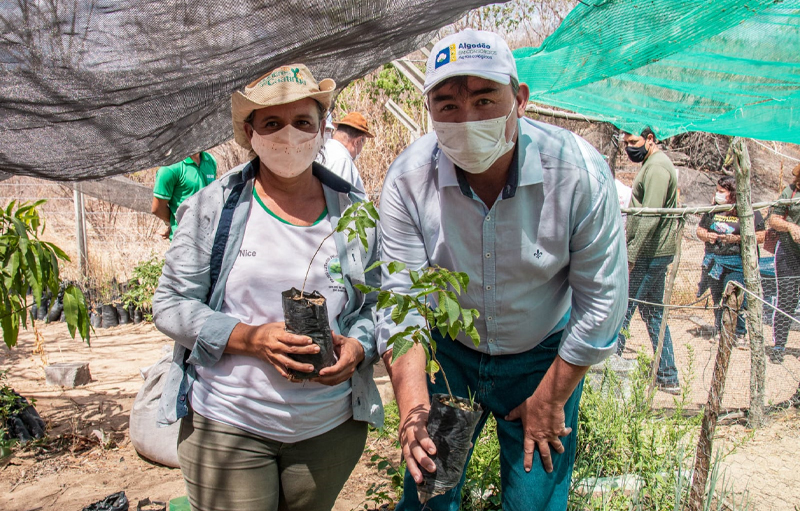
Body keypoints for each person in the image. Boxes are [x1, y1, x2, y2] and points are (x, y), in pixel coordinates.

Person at [377, 29, 627, 511]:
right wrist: (413, 406)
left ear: (521, 100)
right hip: (449, 352)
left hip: (542, 359)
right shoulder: (409, 179)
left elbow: (602, 303)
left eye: (485, 99)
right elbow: (402, 302)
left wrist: (550, 398)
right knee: (431, 489)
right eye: (447, 106)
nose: (466, 120)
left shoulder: (578, 174)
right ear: (430, 110)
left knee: (533, 498)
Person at [152, 64, 383, 511]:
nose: (289, 136)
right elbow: (170, 303)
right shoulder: (212, 207)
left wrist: (358, 346)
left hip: (327, 430)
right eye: (272, 123)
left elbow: (376, 303)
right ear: (249, 132)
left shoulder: (356, 212)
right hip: (229, 423)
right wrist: (250, 339)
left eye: (303, 122)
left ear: (321, 130)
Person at [616, 126, 681, 395]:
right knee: (654, 314)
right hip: (652, 252)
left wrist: (631, 257)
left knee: (623, 311)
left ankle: (610, 368)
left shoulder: (656, 168)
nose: (630, 147)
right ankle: (668, 375)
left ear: (650, 139)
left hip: (649, 254)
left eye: (634, 142)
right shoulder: (652, 163)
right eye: (627, 143)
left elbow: (651, 216)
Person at [696, 176, 766, 343]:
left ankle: (739, 332)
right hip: (714, 260)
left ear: (732, 193)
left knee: (735, 296)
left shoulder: (749, 210)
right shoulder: (713, 210)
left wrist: (737, 239)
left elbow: (762, 235)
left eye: (722, 192)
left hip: (737, 260)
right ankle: (719, 330)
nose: (717, 194)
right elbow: (700, 229)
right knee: (717, 296)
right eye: (717, 191)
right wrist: (707, 235)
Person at [768, 162, 800, 364]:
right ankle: (779, 345)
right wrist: (790, 227)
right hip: (788, 253)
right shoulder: (790, 193)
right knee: (786, 300)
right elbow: (773, 219)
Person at [152, 151, 218, 240]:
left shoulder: (210, 160)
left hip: (209, 238)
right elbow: (157, 208)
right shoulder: (170, 168)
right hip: (184, 240)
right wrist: (176, 222)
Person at [318, 111, 374, 192]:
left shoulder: (322, 151)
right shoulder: (343, 161)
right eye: (363, 143)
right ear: (357, 142)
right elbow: (339, 201)